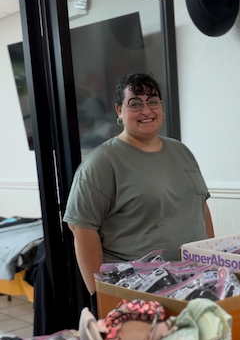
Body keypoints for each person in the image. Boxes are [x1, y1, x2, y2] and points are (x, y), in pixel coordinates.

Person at [63, 72, 214, 297]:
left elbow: (200, 207)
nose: (146, 110)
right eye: (135, 103)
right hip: (137, 289)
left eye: (152, 101)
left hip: (196, 280)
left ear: (161, 107)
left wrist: (213, 259)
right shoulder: (102, 162)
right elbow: (81, 227)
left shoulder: (181, 151)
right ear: (119, 111)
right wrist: (100, 292)